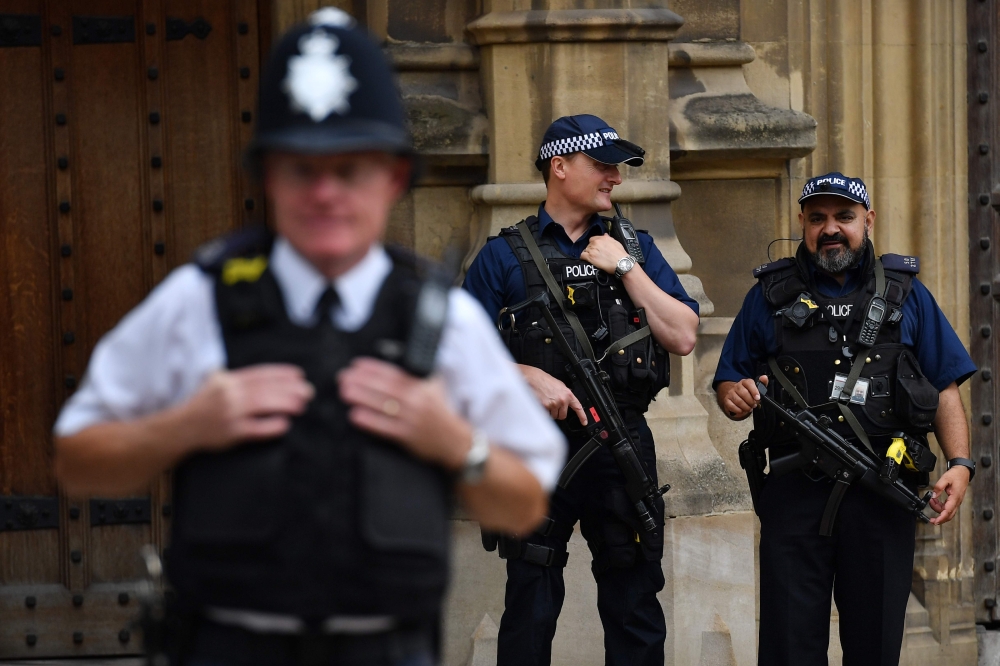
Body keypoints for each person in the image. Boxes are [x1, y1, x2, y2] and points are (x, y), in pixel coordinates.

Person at [52, 9, 565, 666]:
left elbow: (524, 503)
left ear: (394, 178)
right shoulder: (201, 300)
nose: (325, 193)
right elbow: (77, 459)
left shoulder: (442, 319)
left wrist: (454, 443)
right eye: (301, 168)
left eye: (350, 169)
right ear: (267, 176)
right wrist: (186, 426)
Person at [463, 114, 700, 666]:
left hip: (619, 443)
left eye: (617, 167)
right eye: (602, 164)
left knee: (634, 601)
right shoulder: (503, 255)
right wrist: (522, 375)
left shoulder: (633, 247)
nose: (615, 177)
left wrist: (626, 268)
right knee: (530, 602)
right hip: (533, 446)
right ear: (559, 166)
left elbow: (683, 335)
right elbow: (453, 359)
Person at [714, 172, 977, 666]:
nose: (830, 229)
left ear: (868, 221)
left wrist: (960, 463)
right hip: (794, 497)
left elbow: (944, 385)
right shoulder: (768, 295)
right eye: (818, 219)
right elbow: (730, 381)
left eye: (844, 217)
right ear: (802, 223)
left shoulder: (907, 295)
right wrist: (737, 397)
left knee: (875, 646)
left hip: (882, 491)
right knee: (789, 648)